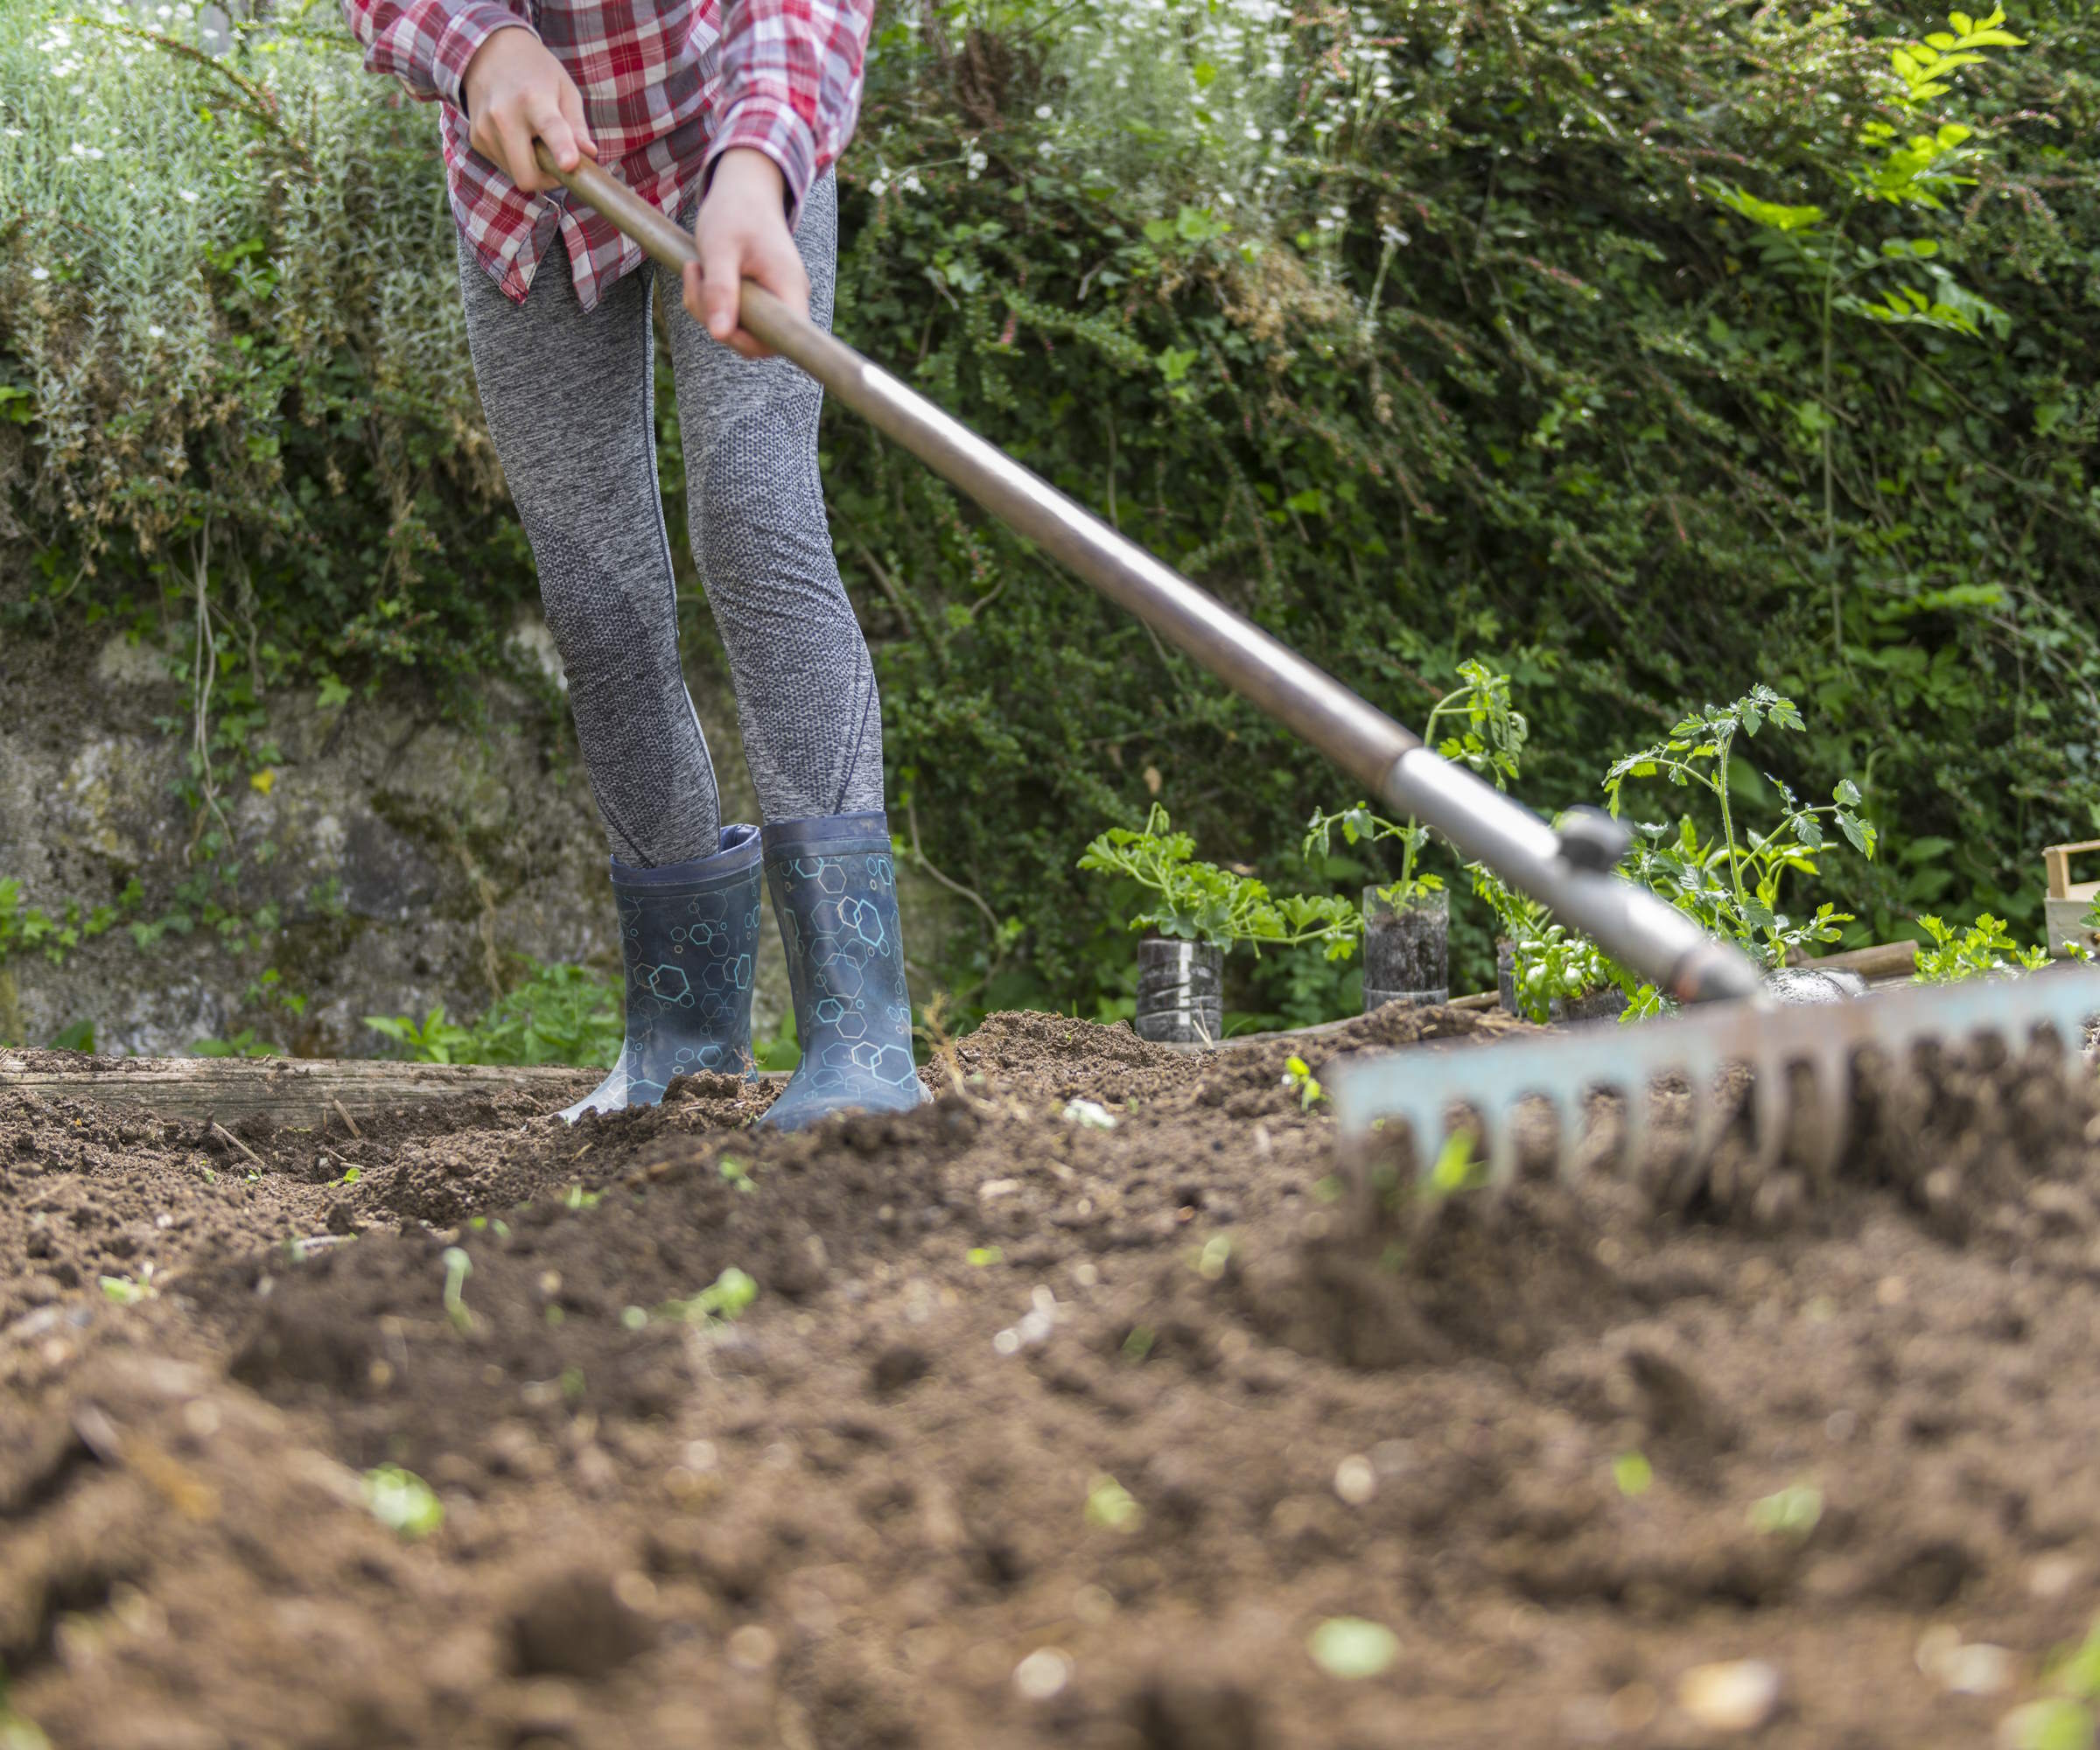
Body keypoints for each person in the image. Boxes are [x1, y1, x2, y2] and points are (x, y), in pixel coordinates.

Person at [342, 0, 928, 1130]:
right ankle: (685, 1044)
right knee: (595, 597)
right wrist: (475, 43)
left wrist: (760, 161)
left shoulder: (753, 138)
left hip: (736, 118)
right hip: (522, 175)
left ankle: (862, 1042)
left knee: (756, 514)